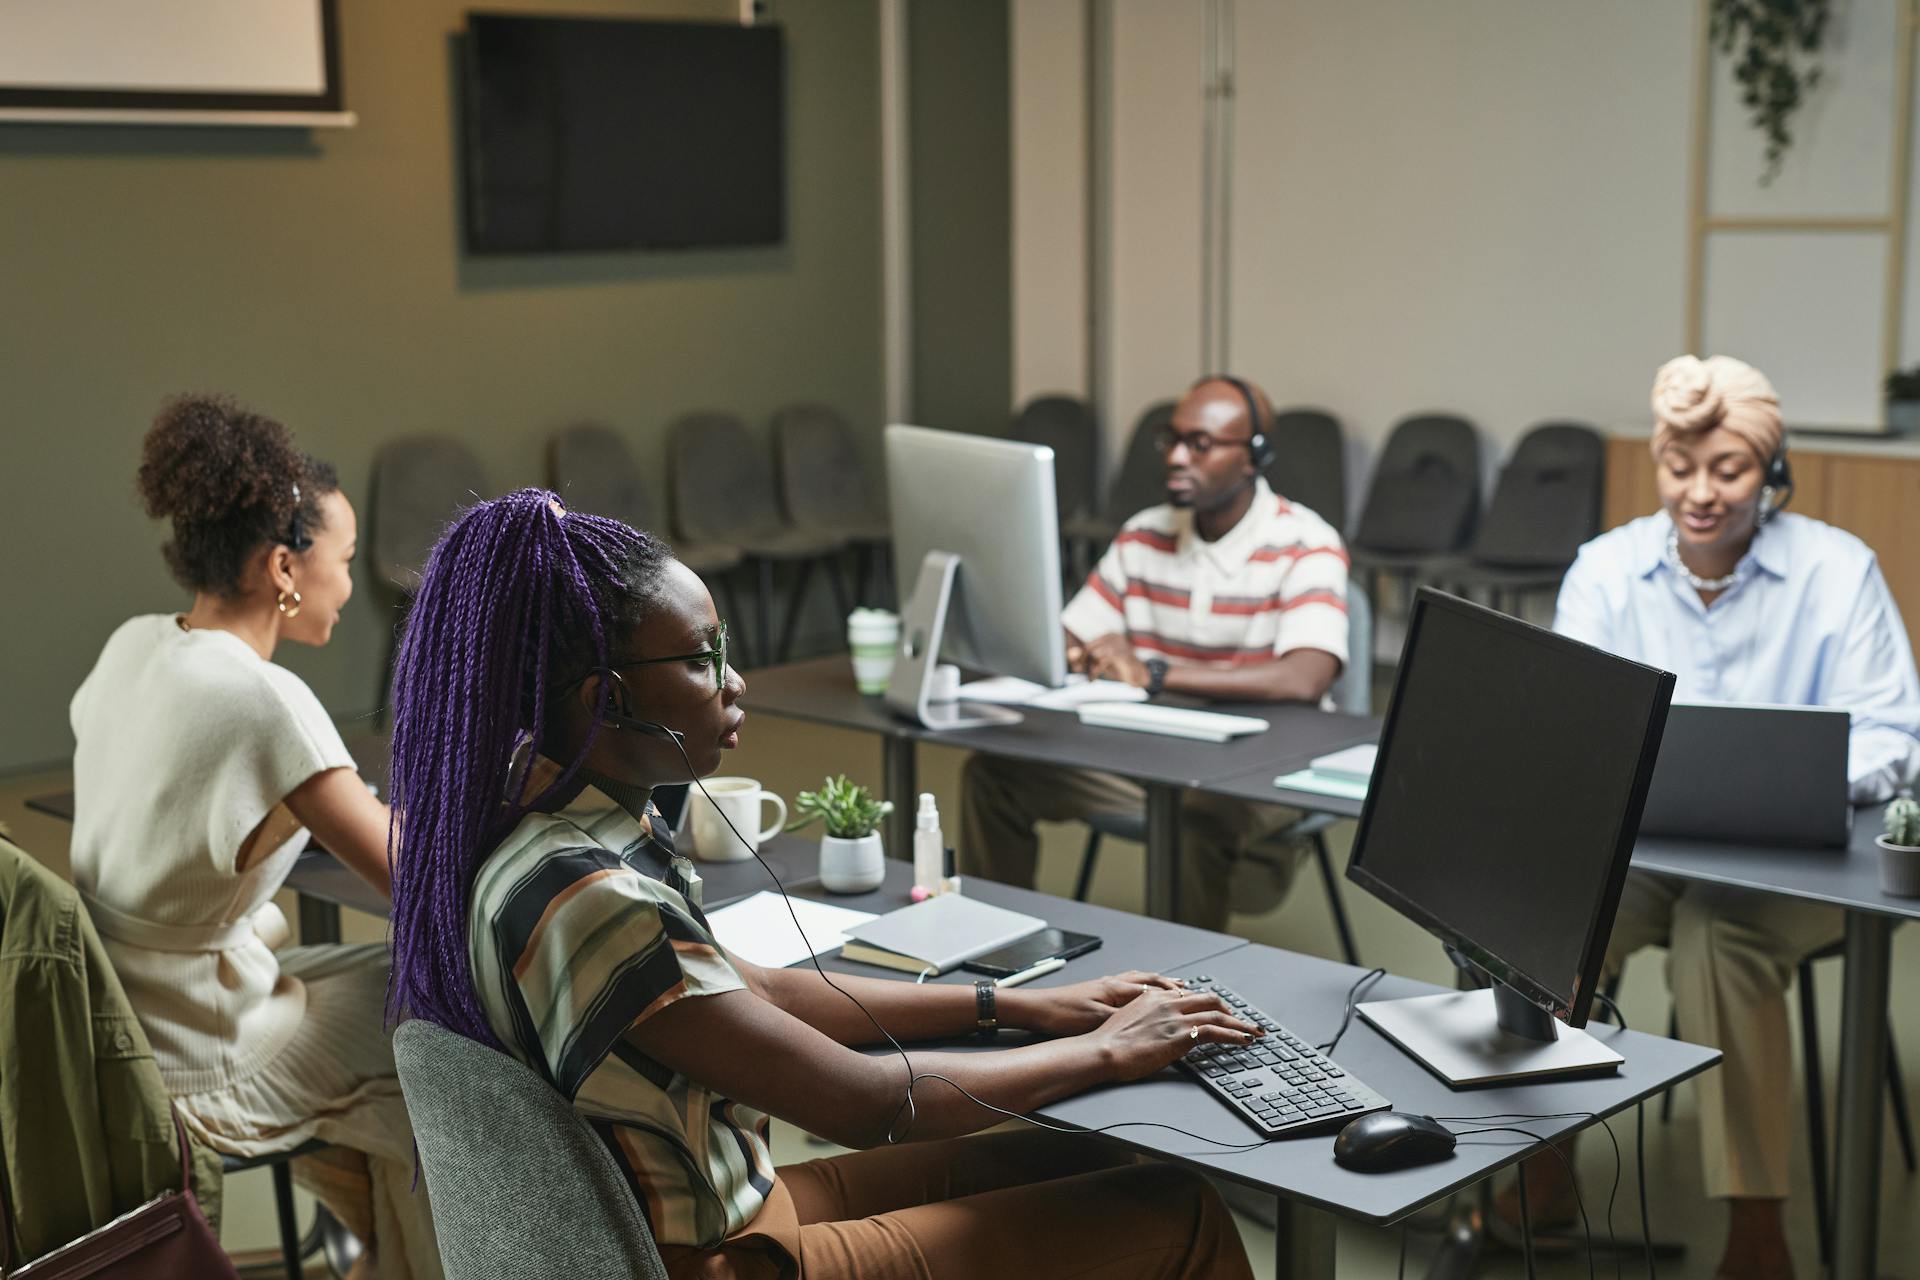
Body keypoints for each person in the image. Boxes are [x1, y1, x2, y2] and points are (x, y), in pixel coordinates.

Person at [384, 490, 1258, 1280]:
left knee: (1102, 1167)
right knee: (1179, 1213)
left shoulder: (548, 831)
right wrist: (1110, 1049)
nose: (734, 681)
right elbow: (869, 1101)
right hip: (727, 1259)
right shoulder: (595, 900)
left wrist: (1021, 1006)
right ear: (605, 701)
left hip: (736, 1211)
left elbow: (756, 990)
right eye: (700, 659)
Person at [1515, 355, 1920, 1280]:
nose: (1698, 493)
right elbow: (1574, 727)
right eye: (1678, 467)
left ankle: (1757, 1225)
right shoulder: (1607, 569)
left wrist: (1812, 780)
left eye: (1728, 470)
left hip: (1802, 869)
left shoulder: (1836, 570)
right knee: (1549, 912)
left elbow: (1897, 730)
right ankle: (1539, 1158)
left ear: (1773, 476)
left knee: (1716, 936)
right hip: (1647, 854)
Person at [68, 395, 440, 1279]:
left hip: (121, 1021)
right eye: (343, 562)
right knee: (452, 1028)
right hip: (200, 1054)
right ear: (284, 567)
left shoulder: (135, 644)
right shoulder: (266, 702)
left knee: (408, 988)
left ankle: (380, 1259)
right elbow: (417, 878)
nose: (350, 586)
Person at [960, 376, 1350, 929]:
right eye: (1170, 439)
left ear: (1253, 458)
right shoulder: (1144, 534)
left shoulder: (1307, 542)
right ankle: (996, 946)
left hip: (1265, 767)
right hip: (1150, 756)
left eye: (1200, 444)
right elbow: (1072, 635)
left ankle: (1186, 993)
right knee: (993, 776)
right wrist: (1082, 650)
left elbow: (1304, 677)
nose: (1175, 457)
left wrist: (1153, 673)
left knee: (1194, 812)